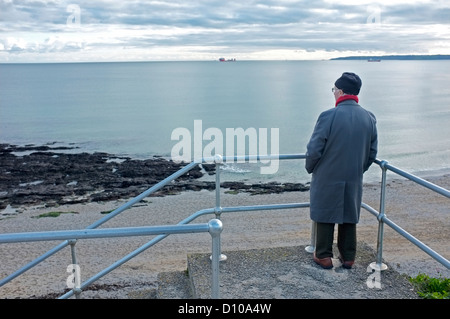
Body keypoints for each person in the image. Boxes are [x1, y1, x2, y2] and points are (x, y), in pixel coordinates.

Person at [305, 72, 378, 269]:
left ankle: (323, 255)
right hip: (353, 174)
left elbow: (314, 150)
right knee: (348, 212)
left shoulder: (328, 116)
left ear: (341, 91)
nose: (333, 93)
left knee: (325, 212)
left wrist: (310, 168)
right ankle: (348, 257)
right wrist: (358, 169)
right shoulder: (369, 117)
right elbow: (372, 152)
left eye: (334, 90)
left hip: (328, 174)